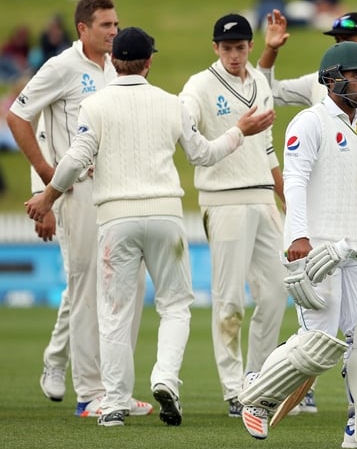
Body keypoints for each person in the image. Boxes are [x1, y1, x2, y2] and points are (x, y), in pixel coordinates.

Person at [25, 26, 275, 427]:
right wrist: (239, 132)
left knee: (114, 312)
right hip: (166, 217)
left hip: (116, 217)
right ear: (149, 62)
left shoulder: (96, 105)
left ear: (113, 61)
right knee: (176, 306)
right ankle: (166, 379)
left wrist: (47, 196)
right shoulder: (170, 102)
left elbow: (74, 160)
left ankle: (114, 404)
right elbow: (204, 155)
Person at [238, 41, 357, 449]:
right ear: (332, 78)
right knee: (318, 346)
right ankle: (256, 393)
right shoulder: (309, 123)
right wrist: (298, 236)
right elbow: (293, 181)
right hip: (319, 250)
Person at [7, 0, 153, 418]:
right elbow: (19, 117)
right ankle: (91, 394)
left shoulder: (117, 66)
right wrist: (48, 180)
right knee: (87, 286)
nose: (114, 31)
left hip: (118, 189)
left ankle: (80, 371)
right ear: (82, 29)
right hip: (77, 191)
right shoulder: (61, 68)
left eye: (116, 23)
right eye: (106, 25)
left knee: (118, 286)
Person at [179, 13, 288, 418]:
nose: (235, 55)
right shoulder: (198, 86)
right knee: (229, 303)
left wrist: (283, 194)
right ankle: (231, 389)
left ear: (248, 46)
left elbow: (269, 147)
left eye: (241, 47)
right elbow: (186, 127)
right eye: (227, 48)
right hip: (222, 199)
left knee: (276, 292)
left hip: (262, 197)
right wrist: (235, 129)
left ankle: (256, 380)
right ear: (215, 48)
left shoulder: (259, 81)